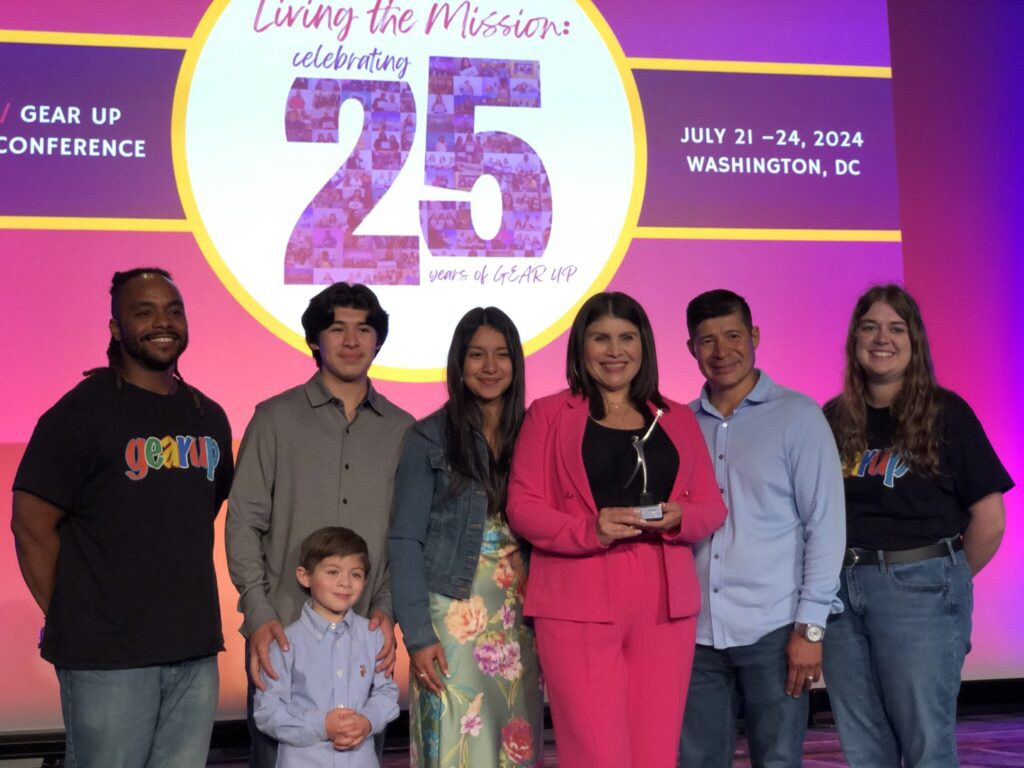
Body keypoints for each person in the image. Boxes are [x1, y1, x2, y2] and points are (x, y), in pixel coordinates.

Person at [11, 267, 233, 767]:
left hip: (194, 652)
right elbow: (30, 526)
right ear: (115, 328)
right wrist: (73, 614)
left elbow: (200, 510)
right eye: (145, 311)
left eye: (174, 310)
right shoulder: (78, 415)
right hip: (107, 661)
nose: (163, 322)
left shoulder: (209, 416)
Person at [507, 292, 727, 768]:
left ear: (644, 345)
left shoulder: (678, 417)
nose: (615, 351)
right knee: (596, 753)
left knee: (655, 753)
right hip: (576, 599)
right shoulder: (548, 415)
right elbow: (523, 507)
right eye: (600, 338)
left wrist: (680, 518)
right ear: (580, 349)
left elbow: (712, 507)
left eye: (627, 337)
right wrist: (591, 529)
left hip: (665, 603)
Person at [822, 284, 1013, 767]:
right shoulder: (831, 418)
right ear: (854, 339)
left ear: (915, 341)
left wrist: (945, 581)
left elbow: (989, 521)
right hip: (840, 598)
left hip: (920, 589)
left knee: (927, 747)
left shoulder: (948, 414)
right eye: (869, 327)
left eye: (895, 328)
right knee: (864, 749)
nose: (881, 338)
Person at [226, 282, 413, 768]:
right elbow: (243, 522)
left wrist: (387, 608)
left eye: (364, 329)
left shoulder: (402, 430)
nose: (351, 341)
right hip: (283, 630)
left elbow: (403, 535)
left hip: (363, 635)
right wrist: (260, 611)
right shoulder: (273, 419)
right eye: (337, 328)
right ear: (315, 339)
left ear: (378, 340)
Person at [678, 289, 845, 768]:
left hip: (773, 629)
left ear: (754, 337)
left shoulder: (799, 416)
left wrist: (810, 629)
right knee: (697, 761)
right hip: (698, 633)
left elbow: (826, 527)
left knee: (776, 760)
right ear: (691, 349)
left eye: (733, 336)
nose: (721, 351)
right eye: (706, 341)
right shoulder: (680, 426)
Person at [390, 308, 543, 767]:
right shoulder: (428, 436)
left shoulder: (536, 431)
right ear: (459, 363)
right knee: (459, 744)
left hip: (522, 615)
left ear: (516, 363)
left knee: (514, 743)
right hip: (453, 615)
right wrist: (417, 636)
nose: (490, 367)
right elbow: (404, 540)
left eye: (501, 355)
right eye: (477, 355)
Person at [254, 527, 399, 767]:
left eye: (356, 574)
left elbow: (387, 693)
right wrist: (322, 725)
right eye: (333, 572)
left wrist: (367, 721)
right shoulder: (285, 643)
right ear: (304, 576)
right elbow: (267, 711)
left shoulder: (372, 636)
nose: (345, 583)